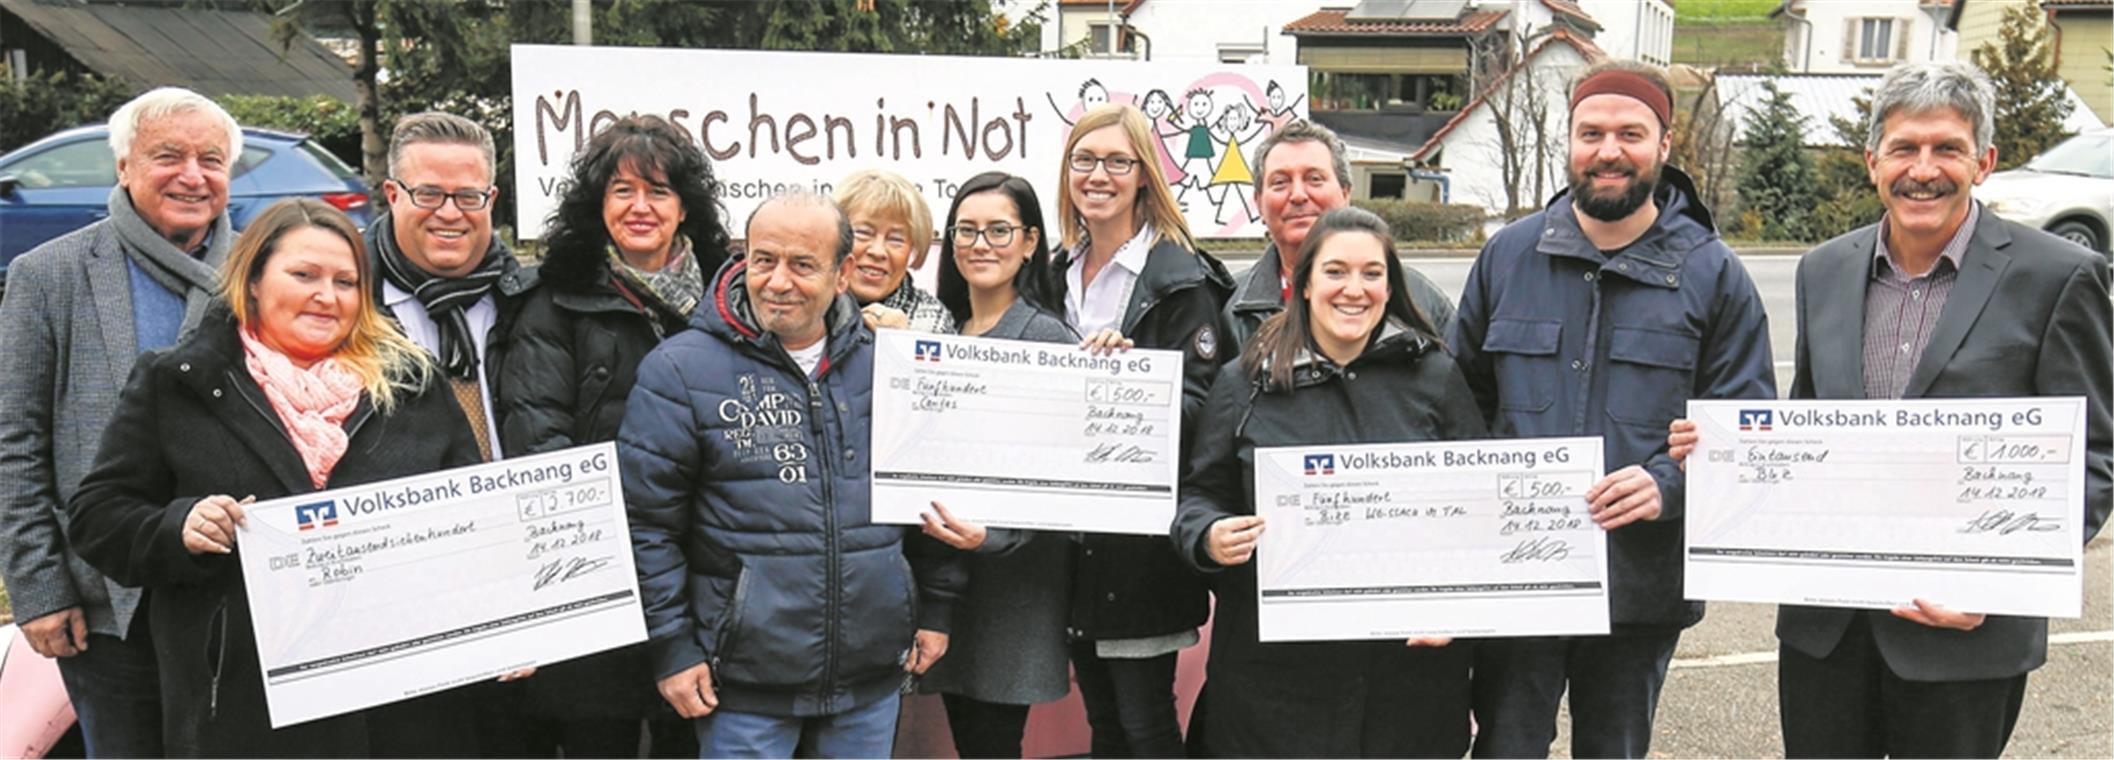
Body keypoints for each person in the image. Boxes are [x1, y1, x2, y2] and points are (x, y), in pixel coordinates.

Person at [1668, 61, 2112, 759]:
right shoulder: (1824, 269)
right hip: (1827, 633)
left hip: (1965, 635)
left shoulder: (2058, 276)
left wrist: (1998, 584)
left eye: (1947, 149)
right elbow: (1811, 423)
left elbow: (2090, 456)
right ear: (1872, 161)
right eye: (1905, 148)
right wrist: (1730, 457)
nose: (1923, 169)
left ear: (1984, 161)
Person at [64, 198, 485, 756]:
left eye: (346, 281)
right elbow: (97, 517)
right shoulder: (180, 382)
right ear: (254, 281)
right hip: (242, 708)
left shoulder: (411, 384)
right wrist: (177, 526)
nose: (326, 295)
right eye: (304, 274)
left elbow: (471, 525)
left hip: (399, 709)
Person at [1448, 60, 1777, 759]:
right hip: (1519, 579)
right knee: (1504, 747)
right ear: (1568, 143)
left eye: (1630, 133)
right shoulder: (1508, 257)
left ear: (1664, 144)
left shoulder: (1714, 275)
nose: (1608, 150)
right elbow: (1454, 403)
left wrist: (1667, 482)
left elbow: (1747, 428)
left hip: (1639, 585)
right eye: (1590, 132)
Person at [619, 191, 965, 758]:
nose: (778, 281)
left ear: (844, 273)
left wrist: (937, 608)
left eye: (803, 264)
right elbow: (644, 525)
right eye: (763, 259)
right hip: (743, 687)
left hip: (869, 676)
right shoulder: (680, 370)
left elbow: (931, 497)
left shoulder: (892, 365)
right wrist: (672, 647)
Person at [1171, 207, 1479, 758]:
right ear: (1306, 282)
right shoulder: (1245, 382)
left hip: (1403, 683)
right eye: (1336, 271)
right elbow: (1199, 495)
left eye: (1371, 273)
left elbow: (1479, 509)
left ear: (1391, 286)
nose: (1353, 289)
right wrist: (1208, 536)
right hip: (1274, 682)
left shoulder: (1434, 376)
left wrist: (1458, 606)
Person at [0, 86, 243, 758]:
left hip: (241, 599)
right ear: (124, 167)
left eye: (212, 160)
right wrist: (39, 588)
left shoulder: (267, 272)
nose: (193, 175)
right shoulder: (48, 276)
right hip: (109, 602)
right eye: (169, 155)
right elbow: (14, 444)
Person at [495, 114, 731, 759]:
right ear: (597, 205)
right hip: (595, 575)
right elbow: (538, 440)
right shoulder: (553, 299)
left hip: (705, 573)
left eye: (658, 191)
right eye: (621, 191)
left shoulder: (731, 299)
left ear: (686, 207)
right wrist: (616, 543)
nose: (640, 207)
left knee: (693, 741)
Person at [1050, 103, 1233, 758]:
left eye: (1116, 162)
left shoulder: (1184, 281)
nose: (1098, 175)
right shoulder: (1053, 274)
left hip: (1142, 549)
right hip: (1075, 546)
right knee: (1104, 723)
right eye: (1084, 160)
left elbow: (1211, 412)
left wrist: (1133, 385)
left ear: (1144, 176)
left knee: (1146, 723)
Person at [916, 171, 1079, 758]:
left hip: (1011, 592)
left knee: (991, 746)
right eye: (966, 230)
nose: (980, 244)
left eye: (999, 230)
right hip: (942, 582)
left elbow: (1071, 487)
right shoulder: (940, 333)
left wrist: (1000, 534)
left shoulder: (1050, 340)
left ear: (1031, 241)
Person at [366, 111, 534, 464]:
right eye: (428, 194)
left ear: (491, 199)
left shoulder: (531, 303)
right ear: (393, 195)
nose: (449, 213)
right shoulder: (346, 308)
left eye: (469, 197)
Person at [1223, 119, 1457, 353]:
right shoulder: (1227, 309)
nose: (1297, 195)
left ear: (1345, 193)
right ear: (1258, 204)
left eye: (1314, 179)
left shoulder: (1420, 299)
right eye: (1280, 182)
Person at [832, 169, 955, 333]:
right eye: (863, 233)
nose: (878, 251)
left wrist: (902, 343)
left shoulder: (932, 322)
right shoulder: (809, 305)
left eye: (896, 239)